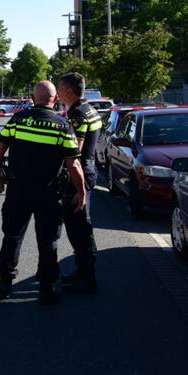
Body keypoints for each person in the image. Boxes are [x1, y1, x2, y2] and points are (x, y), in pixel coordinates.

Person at [0, 80, 86, 305]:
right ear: (55, 99)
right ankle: (46, 288)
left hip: (18, 191)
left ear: (33, 98)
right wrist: (81, 192)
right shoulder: (63, 125)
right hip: (49, 194)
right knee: (48, 241)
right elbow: (74, 165)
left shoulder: (18, 119)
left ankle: (5, 283)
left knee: (12, 236)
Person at [56, 72, 104, 293]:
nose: (57, 92)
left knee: (78, 228)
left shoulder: (77, 115)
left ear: (69, 91)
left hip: (80, 174)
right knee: (81, 225)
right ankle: (84, 272)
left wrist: (77, 186)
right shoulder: (90, 109)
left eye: (60, 88)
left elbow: (74, 151)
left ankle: (87, 277)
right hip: (89, 169)